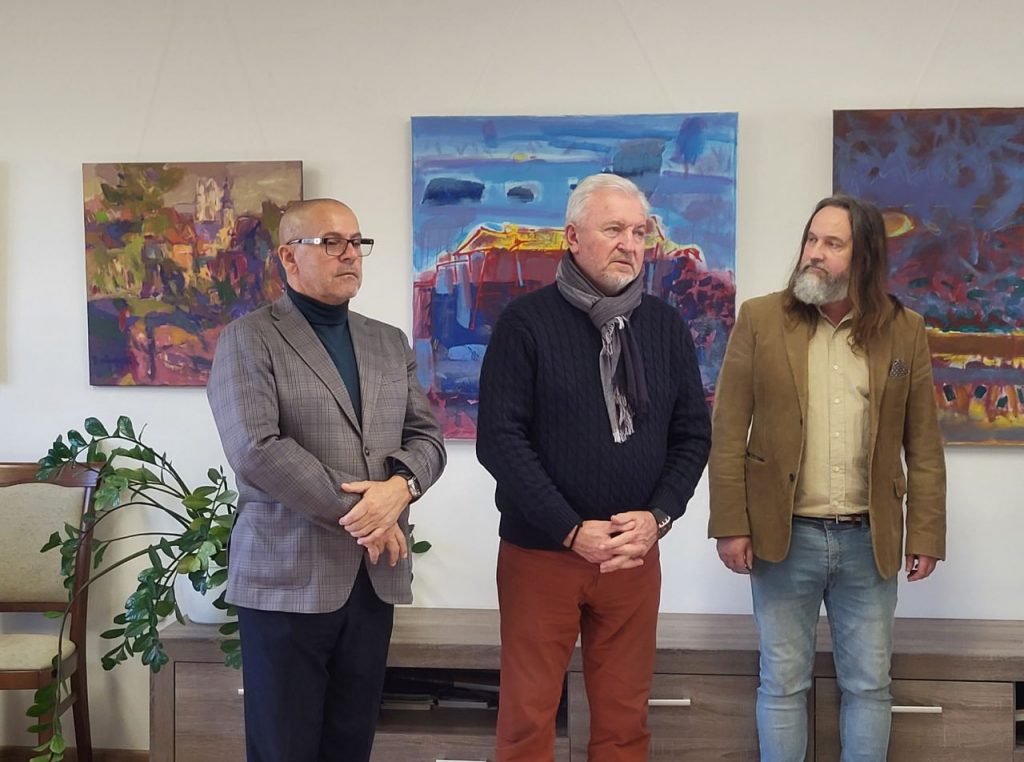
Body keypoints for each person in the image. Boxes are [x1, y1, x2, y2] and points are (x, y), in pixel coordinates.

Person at [476, 173, 712, 762]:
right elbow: (500, 442)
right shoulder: (525, 324)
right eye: (613, 230)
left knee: (624, 723)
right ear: (573, 237)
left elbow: (692, 435)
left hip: (633, 556)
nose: (629, 244)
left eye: (639, 232)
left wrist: (658, 517)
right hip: (542, 555)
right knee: (528, 721)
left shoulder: (664, 326)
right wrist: (570, 529)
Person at [708, 194, 946, 761]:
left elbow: (924, 444)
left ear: (864, 257)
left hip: (869, 540)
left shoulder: (905, 330)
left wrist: (926, 534)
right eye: (811, 240)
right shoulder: (761, 320)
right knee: (782, 683)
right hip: (783, 537)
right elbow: (728, 430)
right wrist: (730, 524)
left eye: (832, 244)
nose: (814, 253)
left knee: (869, 686)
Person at [207, 198, 446, 762]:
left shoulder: (388, 341)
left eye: (357, 242)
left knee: (350, 743)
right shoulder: (249, 338)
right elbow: (256, 450)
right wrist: (368, 514)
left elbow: (427, 439)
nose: (350, 254)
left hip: (373, 579)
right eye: (331, 242)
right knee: (284, 748)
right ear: (289, 257)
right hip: (286, 577)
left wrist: (400, 490)